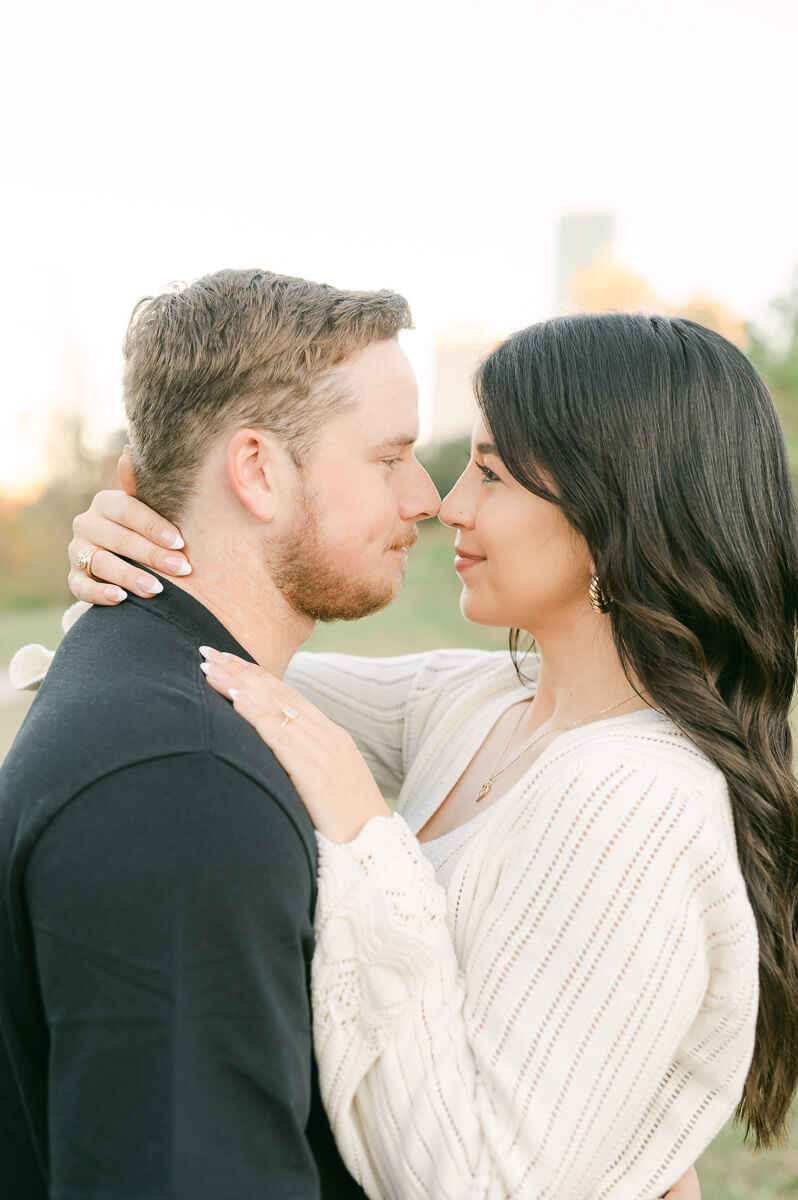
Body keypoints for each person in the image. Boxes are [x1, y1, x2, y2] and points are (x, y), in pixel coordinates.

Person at [59, 313, 798, 1196]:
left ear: (614, 514)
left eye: (490, 473)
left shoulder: (633, 804)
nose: (448, 504)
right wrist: (139, 551)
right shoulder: (480, 703)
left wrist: (370, 836)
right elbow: (229, 658)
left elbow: (481, 1183)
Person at [0, 268, 441, 1199]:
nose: (426, 498)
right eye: (389, 457)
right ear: (255, 470)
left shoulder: (137, 675)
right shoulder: (182, 785)